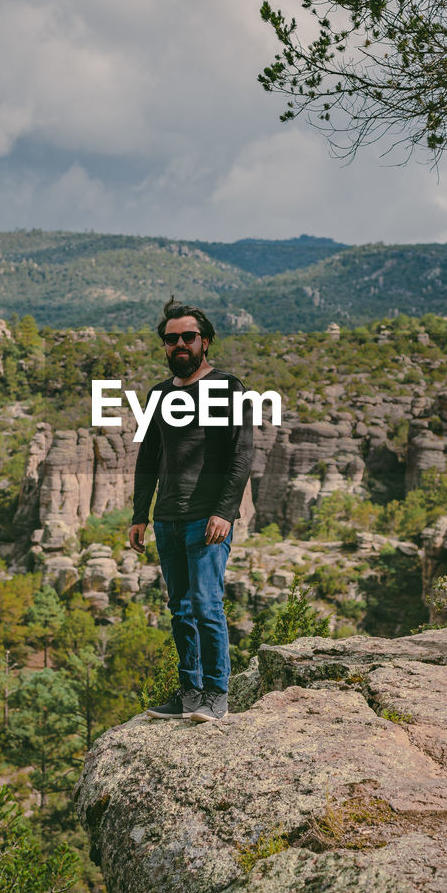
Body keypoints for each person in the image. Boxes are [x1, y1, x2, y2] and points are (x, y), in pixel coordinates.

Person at [128, 296, 253, 722]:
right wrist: (139, 515)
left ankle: (217, 693)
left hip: (207, 518)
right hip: (167, 518)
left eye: (188, 337)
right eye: (170, 339)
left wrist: (225, 512)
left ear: (205, 341)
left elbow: (241, 454)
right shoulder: (158, 394)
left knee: (206, 605)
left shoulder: (228, 387)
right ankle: (189, 693)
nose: (179, 344)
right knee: (180, 607)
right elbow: (148, 458)